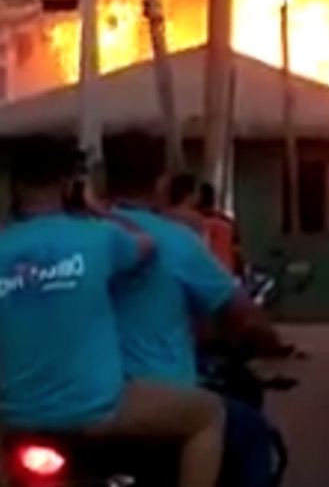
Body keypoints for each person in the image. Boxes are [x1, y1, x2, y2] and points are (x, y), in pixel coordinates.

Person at [0, 136, 225, 487]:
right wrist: (97, 209)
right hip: (93, 410)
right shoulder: (98, 238)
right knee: (208, 415)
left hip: (12, 415)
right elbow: (147, 247)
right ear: (71, 185)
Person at [103, 131, 288, 487]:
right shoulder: (176, 241)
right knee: (250, 434)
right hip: (159, 399)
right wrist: (268, 341)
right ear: (162, 183)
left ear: (101, 177)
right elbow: (241, 312)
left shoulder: (84, 236)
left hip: (74, 401)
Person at [198, 182, 242, 279]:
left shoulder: (191, 222)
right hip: (224, 275)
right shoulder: (226, 222)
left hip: (201, 275)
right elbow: (236, 251)